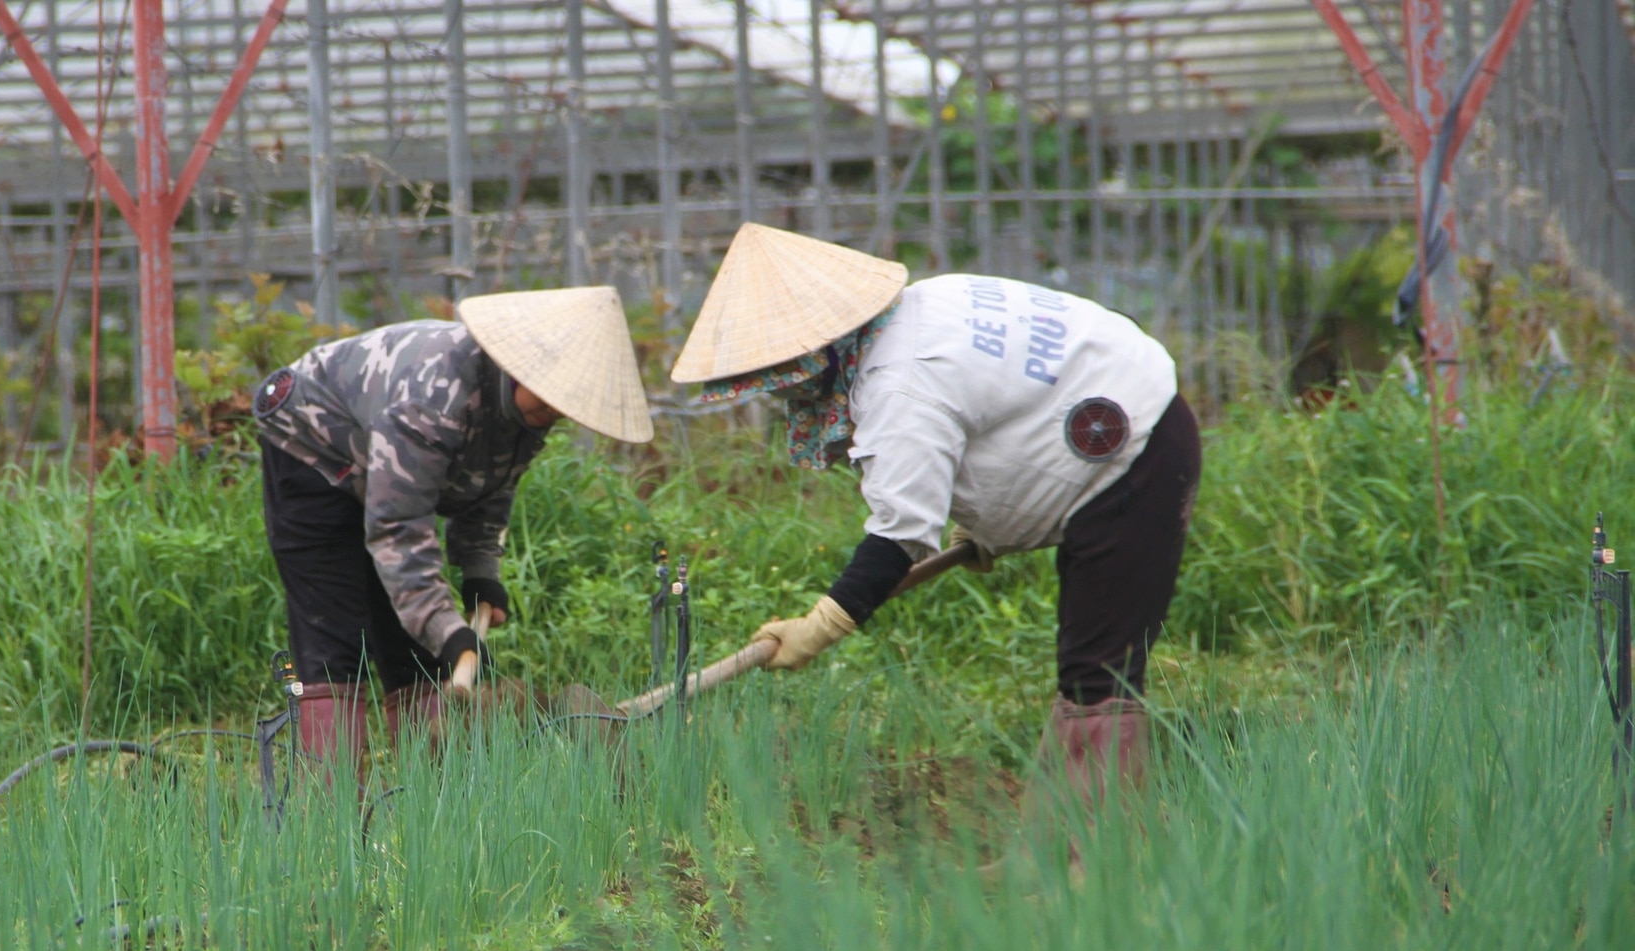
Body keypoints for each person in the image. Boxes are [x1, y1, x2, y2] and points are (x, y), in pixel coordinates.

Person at [672, 223, 1201, 818]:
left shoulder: (900, 383)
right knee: (1087, 666)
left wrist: (819, 627)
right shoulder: (922, 307)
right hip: (1135, 413)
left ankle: (1097, 861)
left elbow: (899, 536)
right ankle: (1051, 850)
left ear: (812, 356)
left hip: (1133, 454)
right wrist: (993, 524)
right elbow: (1008, 405)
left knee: (1099, 671)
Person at [252, 286, 653, 767]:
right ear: (518, 369)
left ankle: (430, 799)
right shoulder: (433, 398)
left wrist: (481, 570)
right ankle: (329, 815)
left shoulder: (522, 407)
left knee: (416, 647)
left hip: (381, 456)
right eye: (549, 401)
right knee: (335, 636)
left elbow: (490, 482)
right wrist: (449, 630)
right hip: (312, 442)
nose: (555, 414)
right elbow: (398, 526)